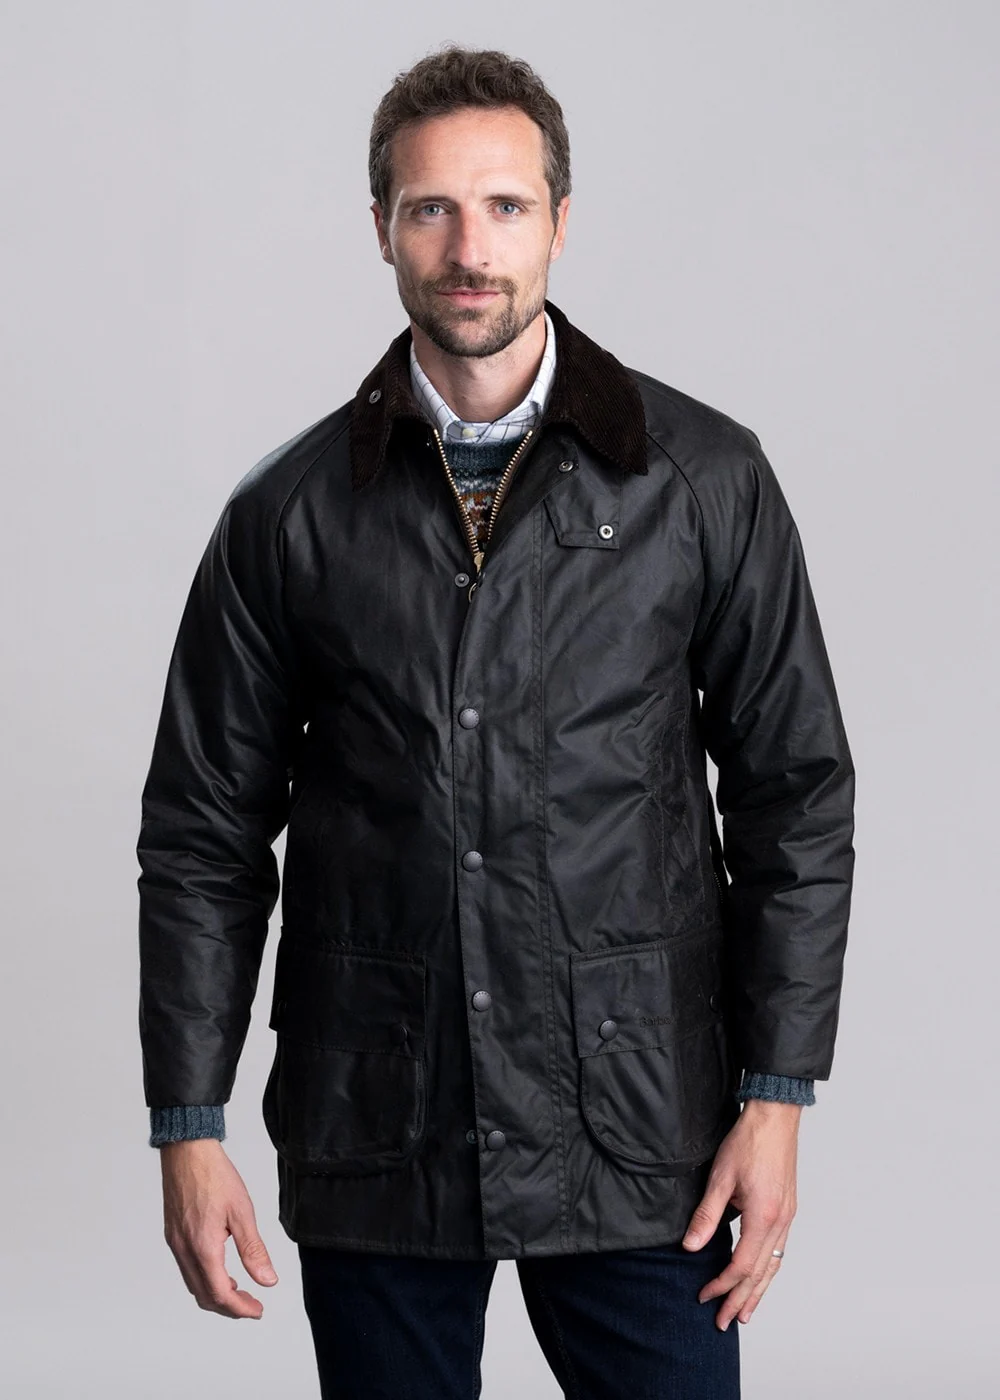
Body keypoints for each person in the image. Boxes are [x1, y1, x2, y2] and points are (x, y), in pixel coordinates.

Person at [138, 45, 854, 1400]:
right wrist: (188, 1119)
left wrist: (779, 1096)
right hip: (379, 1117)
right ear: (381, 228)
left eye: (506, 206)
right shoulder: (289, 515)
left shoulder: (701, 482)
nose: (471, 250)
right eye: (432, 209)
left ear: (560, 221)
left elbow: (796, 794)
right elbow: (201, 834)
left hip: (643, 1122)